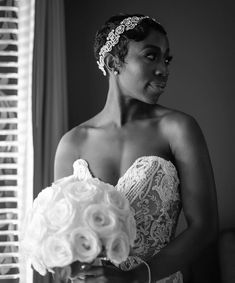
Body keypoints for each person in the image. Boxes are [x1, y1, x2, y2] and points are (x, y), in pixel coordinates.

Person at [54, 13, 219, 283]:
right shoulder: (72, 144)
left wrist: (135, 278)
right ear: (113, 63)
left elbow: (205, 227)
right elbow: (64, 238)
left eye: (166, 59)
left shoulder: (178, 129)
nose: (163, 69)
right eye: (151, 56)